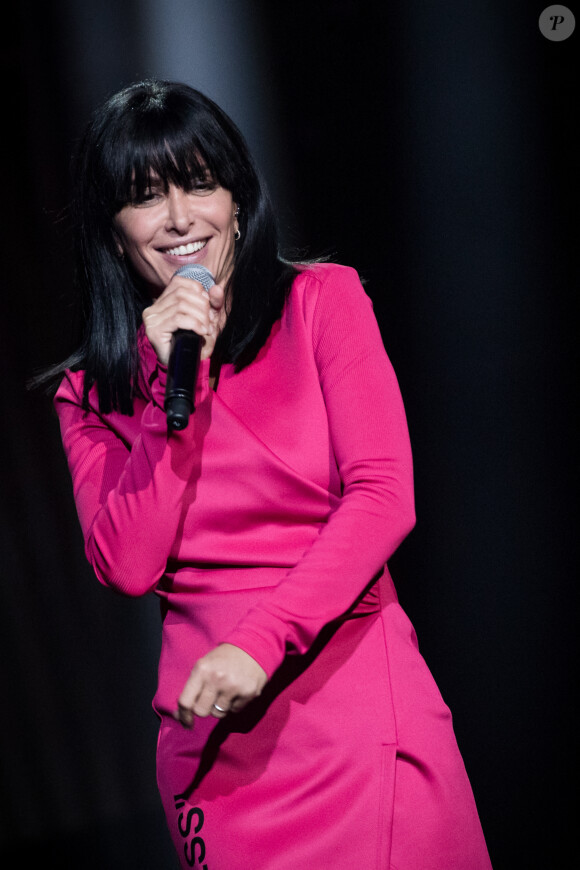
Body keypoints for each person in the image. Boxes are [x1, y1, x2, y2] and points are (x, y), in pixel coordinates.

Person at [49, 79, 492, 869]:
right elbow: (127, 564)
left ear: (238, 202)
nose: (180, 217)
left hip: (355, 714)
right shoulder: (90, 394)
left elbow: (385, 496)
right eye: (146, 196)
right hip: (217, 754)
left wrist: (258, 644)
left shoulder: (322, 302)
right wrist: (161, 392)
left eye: (199, 182)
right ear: (115, 234)